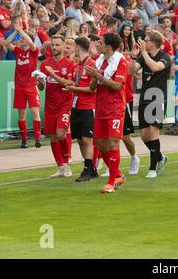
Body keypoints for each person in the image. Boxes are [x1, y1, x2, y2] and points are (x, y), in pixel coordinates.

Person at [85, 33, 129, 193]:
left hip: (115, 108)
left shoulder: (121, 61)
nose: (97, 44)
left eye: (101, 42)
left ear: (109, 47)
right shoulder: (99, 61)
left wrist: (99, 76)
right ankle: (118, 174)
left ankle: (112, 182)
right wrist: (94, 77)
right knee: (100, 144)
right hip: (101, 107)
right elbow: (92, 87)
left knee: (113, 143)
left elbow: (117, 86)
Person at [129, 30, 171, 179]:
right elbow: (130, 71)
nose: (143, 42)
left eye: (146, 40)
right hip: (144, 98)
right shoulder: (142, 56)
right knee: (144, 136)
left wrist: (142, 53)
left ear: (153, 43)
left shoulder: (164, 57)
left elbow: (155, 67)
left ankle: (153, 168)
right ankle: (160, 157)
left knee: (153, 134)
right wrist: (134, 57)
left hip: (158, 98)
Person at [37, 35, 76, 177]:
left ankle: (67, 163)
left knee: (61, 134)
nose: (54, 47)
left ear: (63, 45)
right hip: (50, 105)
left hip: (64, 105)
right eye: (52, 45)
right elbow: (41, 87)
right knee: (53, 137)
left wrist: (53, 74)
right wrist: (40, 81)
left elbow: (69, 84)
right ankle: (60, 167)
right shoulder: (44, 64)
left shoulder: (70, 64)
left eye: (57, 45)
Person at [62, 37, 99, 182]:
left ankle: (87, 169)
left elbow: (93, 89)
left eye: (73, 47)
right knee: (79, 139)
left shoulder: (91, 64)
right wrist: (70, 84)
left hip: (88, 107)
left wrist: (74, 87)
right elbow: (74, 83)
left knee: (87, 139)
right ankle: (91, 169)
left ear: (77, 47)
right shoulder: (77, 66)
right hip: (76, 106)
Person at [3, 25, 42, 149]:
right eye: (22, 39)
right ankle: (24, 139)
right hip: (20, 87)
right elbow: (6, 43)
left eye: (24, 39)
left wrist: (22, 31)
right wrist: (15, 32)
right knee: (21, 114)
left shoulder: (33, 52)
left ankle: (37, 139)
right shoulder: (17, 51)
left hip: (31, 86)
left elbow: (31, 43)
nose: (23, 40)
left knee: (35, 112)